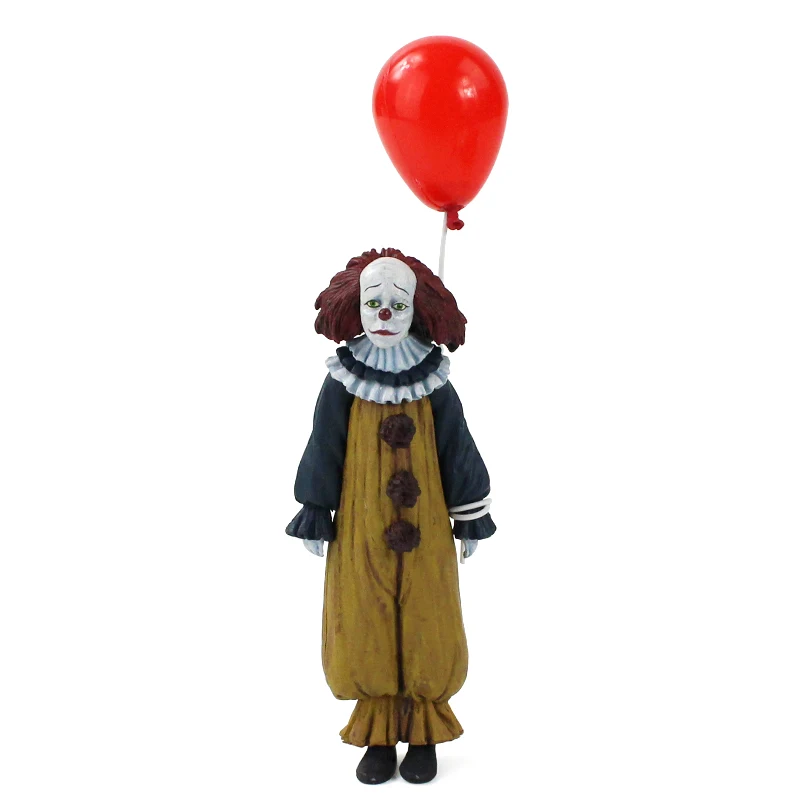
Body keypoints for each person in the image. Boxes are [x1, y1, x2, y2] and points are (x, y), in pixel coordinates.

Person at [286, 248, 496, 784]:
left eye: (397, 305)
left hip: (427, 526)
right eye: (373, 303)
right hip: (360, 525)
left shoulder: (434, 381)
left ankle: (423, 733)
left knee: (429, 611)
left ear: (416, 310)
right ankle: (378, 733)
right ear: (355, 308)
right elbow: (324, 443)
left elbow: (456, 445)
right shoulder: (343, 380)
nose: (384, 314)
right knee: (364, 610)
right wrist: (316, 506)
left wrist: (469, 513)